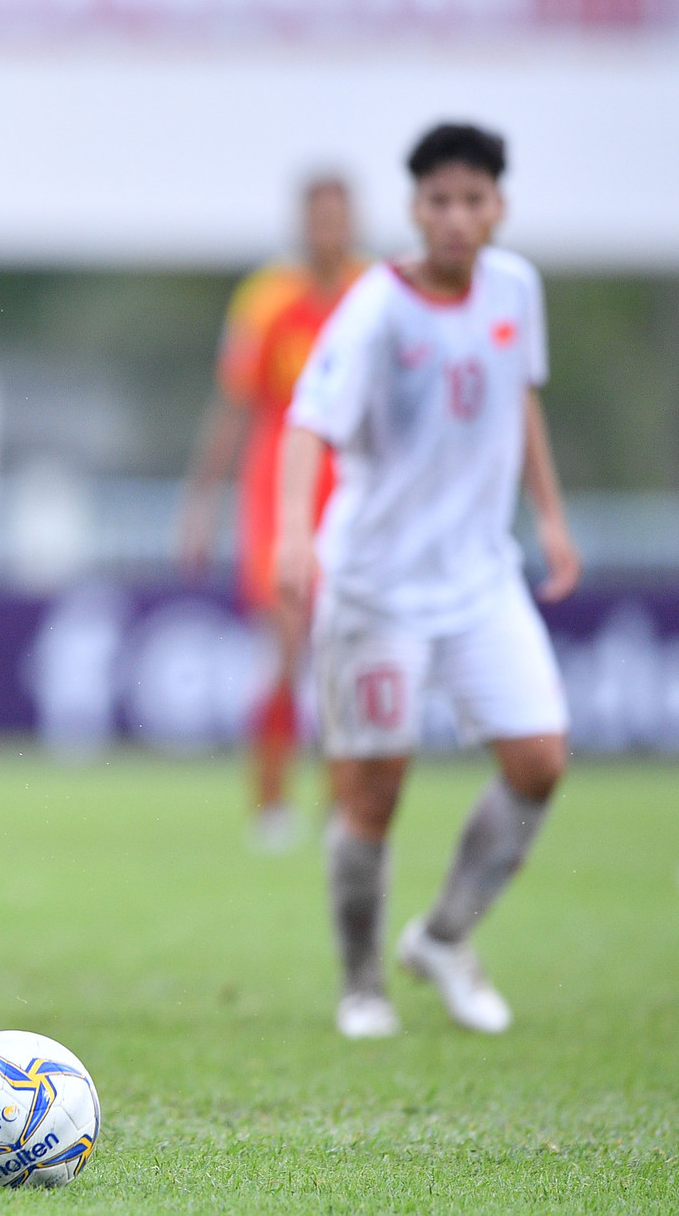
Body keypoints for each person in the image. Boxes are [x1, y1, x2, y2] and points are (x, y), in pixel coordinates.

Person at [275, 123, 579, 1040]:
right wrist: (292, 533)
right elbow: (308, 422)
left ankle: (444, 938)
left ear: (498, 207)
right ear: (414, 208)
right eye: (439, 201)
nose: (455, 217)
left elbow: (518, 397)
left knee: (540, 761)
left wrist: (550, 514)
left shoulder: (515, 289)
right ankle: (362, 984)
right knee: (374, 789)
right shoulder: (375, 308)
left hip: (481, 579)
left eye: (472, 200)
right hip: (378, 588)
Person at [180, 176, 365, 851]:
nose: (327, 230)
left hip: (351, 499)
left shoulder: (372, 295)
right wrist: (201, 502)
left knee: (345, 657)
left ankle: (344, 805)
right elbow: (233, 406)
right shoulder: (267, 299)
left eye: (337, 217)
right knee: (286, 648)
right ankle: (272, 803)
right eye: (317, 217)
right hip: (277, 499)